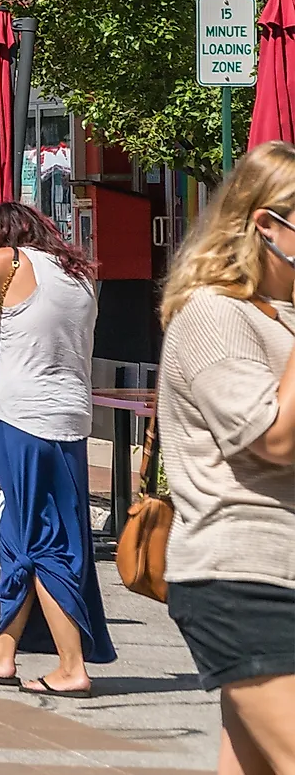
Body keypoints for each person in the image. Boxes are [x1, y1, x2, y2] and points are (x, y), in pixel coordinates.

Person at [0, 201, 113, 694]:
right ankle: (3, 651)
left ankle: (71, 667)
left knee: (42, 541)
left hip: (23, 418)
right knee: (19, 534)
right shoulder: (77, 275)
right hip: (70, 417)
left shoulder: (11, 260)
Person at [157, 141, 295, 770]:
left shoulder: (281, 319)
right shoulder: (214, 315)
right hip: (244, 576)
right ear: (267, 224)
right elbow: (274, 438)